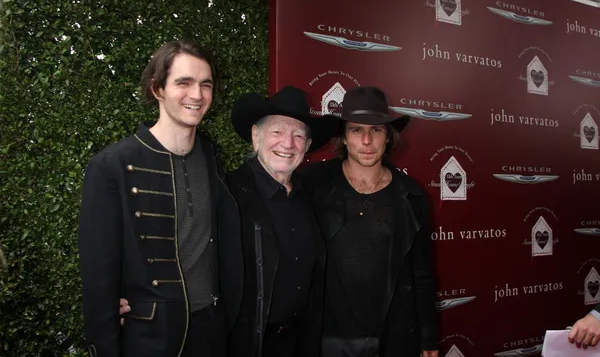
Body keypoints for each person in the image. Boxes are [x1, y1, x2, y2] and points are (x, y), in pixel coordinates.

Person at [79, 39, 242, 357]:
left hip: (212, 332)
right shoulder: (112, 165)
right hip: (151, 337)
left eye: (205, 85)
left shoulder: (210, 155)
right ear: (157, 89)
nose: (197, 95)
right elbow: (98, 276)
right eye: (184, 82)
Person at [304, 86, 439, 357]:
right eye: (356, 130)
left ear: (388, 137)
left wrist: (428, 337)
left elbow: (422, 273)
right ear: (343, 137)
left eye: (376, 130)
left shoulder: (411, 195)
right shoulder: (311, 185)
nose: (367, 141)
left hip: (392, 338)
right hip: (326, 338)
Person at [226, 86, 337, 357]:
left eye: (298, 135)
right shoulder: (226, 193)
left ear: (308, 146)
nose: (288, 144)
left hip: (300, 343)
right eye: (277, 132)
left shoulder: (311, 195)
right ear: (256, 136)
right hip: (244, 346)